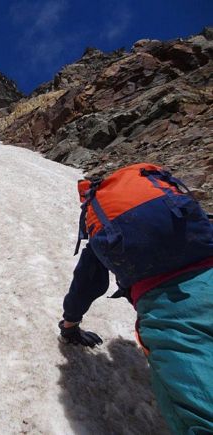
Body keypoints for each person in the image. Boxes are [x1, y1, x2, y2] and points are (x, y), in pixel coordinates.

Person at [58, 163, 213, 434]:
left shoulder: (107, 223)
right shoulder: (165, 200)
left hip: (170, 313)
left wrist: (69, 324)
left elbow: (86, 283)